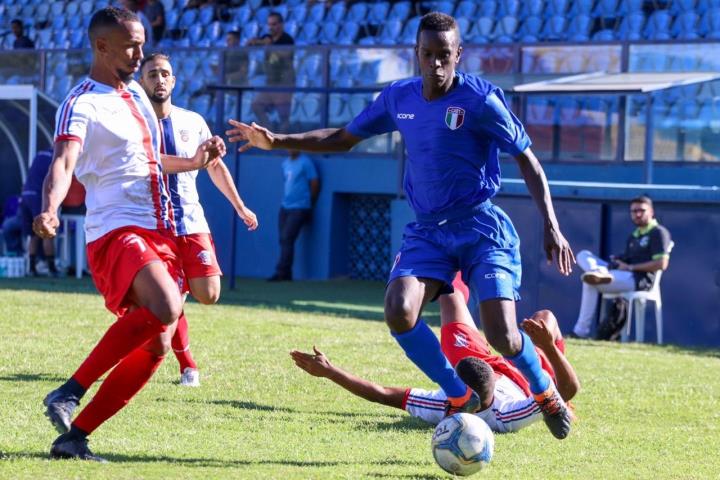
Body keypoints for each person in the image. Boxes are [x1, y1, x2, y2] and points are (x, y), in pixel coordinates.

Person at [227, 11, 576, 440]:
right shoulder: (399, 97)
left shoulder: (482, 101)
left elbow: (528, 159)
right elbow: (344, 137)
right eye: (427, 54)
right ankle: (458, 396)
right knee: (398, 308)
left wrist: (551, 226)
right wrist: (278, 140)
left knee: (502, 335)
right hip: (429, 230)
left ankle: (545, 394)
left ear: (458, 54)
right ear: (416, 52)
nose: (435, 65)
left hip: (481, 227)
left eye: (444, 55)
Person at [36, 7, 225, 461]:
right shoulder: (81, 102)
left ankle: (74, 437)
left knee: (158, 342)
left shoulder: (138, 98)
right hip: (115, 229)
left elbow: (153, 160)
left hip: (157, 228)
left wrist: (197, 160)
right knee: (167, 305)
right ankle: (69, 391)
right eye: (131, 45)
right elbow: (63, 162)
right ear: (101, 47)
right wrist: (49, 207)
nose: (140, 53)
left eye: (142, 43)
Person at [292, 286, 580, 433]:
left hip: (477, 359)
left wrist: (332, 372)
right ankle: (552, 396)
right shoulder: (508, 416)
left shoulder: (446, 401)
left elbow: (383, 395)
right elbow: (569, 389)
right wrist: (548, 349)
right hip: (524, 379)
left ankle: (448, 262)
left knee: (448, 292)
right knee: (546, 318)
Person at [139, 52, 258, 386]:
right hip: (153, 226)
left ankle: (173, 301)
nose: (159, 80)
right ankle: (188, 366)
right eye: (152, 74)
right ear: (141, 82)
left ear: (173, 81)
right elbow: (149, 161)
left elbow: (214, 165)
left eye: (164, 74)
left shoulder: (192, 121)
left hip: (191, 222)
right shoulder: (137, 124)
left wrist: (240, 206)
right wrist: (191, 161)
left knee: (209, 293)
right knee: (171, 300)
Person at [571, 195, 672, 339]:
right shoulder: (634, 235)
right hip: (620, 274)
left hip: (638, 280)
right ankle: (599, 272)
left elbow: (662, 264)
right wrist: (618, 260)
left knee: (589, 281)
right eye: (633, 211)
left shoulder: (658, 232)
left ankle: (580, 331)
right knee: (583, 255)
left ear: (651, 212)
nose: (637, 214)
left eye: (641, 210)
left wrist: (630, 267)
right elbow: (628, 258)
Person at [268, 150, 319, 282]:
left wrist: (309, 203)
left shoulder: (305, 162)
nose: (290, 148)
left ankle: (282, 272)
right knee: (283, 239)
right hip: (285, 207)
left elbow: (314, 183)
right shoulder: (285, 163)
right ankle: (286, 273)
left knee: (287, 238)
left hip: (300, 208)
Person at [246, 12, 295, 132]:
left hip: (284, 83)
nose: (271, 27)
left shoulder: (287, 39)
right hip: (271, 82)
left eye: (274, 24)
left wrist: (270, 45)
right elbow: (250, 44)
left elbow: (287, 54)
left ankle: (285, 145)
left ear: (281, 25)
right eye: (269, 24)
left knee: (284, 117)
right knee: (256, 105)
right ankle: (269, 132)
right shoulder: (267, 37)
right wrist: (254, 42)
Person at [20, 150, 59, 276]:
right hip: (37, 196)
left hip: (25, 195)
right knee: (47, 231)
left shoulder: (39, 154)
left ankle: (31, 269)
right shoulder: (56, 158)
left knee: (33, 234)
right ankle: (52, 269)